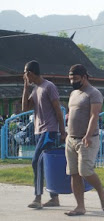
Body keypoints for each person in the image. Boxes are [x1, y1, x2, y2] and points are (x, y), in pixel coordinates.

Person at [65, 64, 104, 216]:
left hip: (87, 139)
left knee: (85, 171)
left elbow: (94, 116)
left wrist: (88, 135)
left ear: (84, 77)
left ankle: (101, 192)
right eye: (71, 79)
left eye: (76, 79)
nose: (73, 82)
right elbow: (72, 112)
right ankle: (80, 206)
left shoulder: (93, 93)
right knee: (74, 173)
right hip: (71, 139)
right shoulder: (73, 94)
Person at [22, 60, 66, 209]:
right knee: (45, 163)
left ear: (30, 73)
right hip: (38, 130)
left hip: (50, 130)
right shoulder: (35, 89)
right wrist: (26, 87)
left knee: (37, 161)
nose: (24, 76)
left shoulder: (49, 86)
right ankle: (54, 198)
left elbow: (58, 110)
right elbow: (24, 108)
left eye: (25, 73)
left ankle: (37, 197)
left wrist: (62, 131)